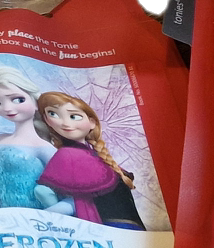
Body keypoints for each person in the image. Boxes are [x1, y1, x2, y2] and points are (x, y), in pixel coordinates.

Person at [35, 91, 144, 229]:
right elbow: (43, 191)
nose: (66, 123)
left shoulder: (92, 154)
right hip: (112, 228)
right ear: (47, 121)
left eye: (74, 116)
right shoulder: (67, 154)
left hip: (121, 228)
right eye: (53, 114)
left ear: (92, 123)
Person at [0, 65, 55, 208]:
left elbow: (67, 191)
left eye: (18, 100)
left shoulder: (43, 148)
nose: (7, 108)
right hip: (3, 213)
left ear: (36, 102)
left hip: (34, 213)